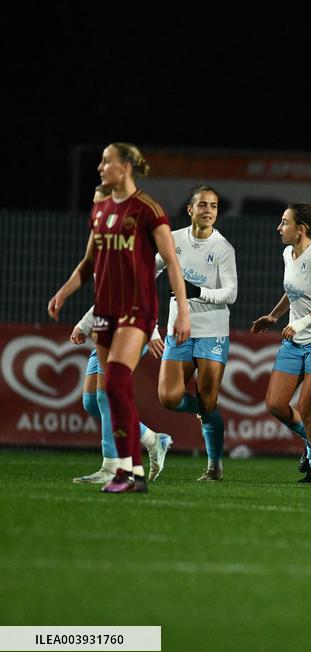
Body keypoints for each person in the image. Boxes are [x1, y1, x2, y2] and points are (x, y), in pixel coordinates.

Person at [48, 143, 191, 493]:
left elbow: (172, 263)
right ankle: (130, 468)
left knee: (113, 383)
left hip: (137, 310)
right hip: (105, 311)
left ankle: (130, 471)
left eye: (106, 161)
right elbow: (89, 263)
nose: (100, 167)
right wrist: (64, 292)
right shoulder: (100, 209)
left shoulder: (148, 209)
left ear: (125, 166)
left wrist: (183, 311)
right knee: (108, 393)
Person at [250, 203, 311, 484]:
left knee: (307, 411)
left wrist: (302, 323)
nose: (279, 228)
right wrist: (274, 315)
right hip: (295, 340)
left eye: (284, 222)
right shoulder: (288, 253)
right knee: (275, 405)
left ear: (300, 229)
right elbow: (292, 291)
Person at [156, 185, 238, 481]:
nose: (208, 211)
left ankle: (214, 466)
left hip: (212, 331)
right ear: (190, 209)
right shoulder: (173, 239)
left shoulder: (223, 248)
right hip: (178, 329)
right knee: (169, 397)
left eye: (213, 206)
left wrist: (197, 291)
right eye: (202, 205)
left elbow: (231, 293)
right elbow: (148, 273)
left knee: (208, 401)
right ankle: (206, 410)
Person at [71, 306, 172, 483]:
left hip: (132, 330)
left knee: (106, 397)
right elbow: (105, 297)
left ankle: (111, 468)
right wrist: (84, 324)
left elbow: (144, 295)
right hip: (107, 330)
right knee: (92, 402)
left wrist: (152, 330)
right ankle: (153, 440)